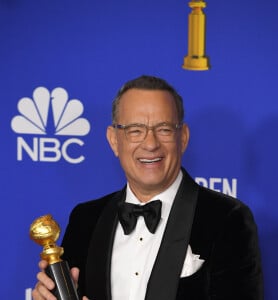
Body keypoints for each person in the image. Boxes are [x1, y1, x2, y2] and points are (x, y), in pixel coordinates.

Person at [32, 75, 264, 300]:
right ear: (114, 140)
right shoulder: (85, 219)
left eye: (163, 129)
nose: (151, 144)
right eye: (135, 130)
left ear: (182, 138)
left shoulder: (227, 219)